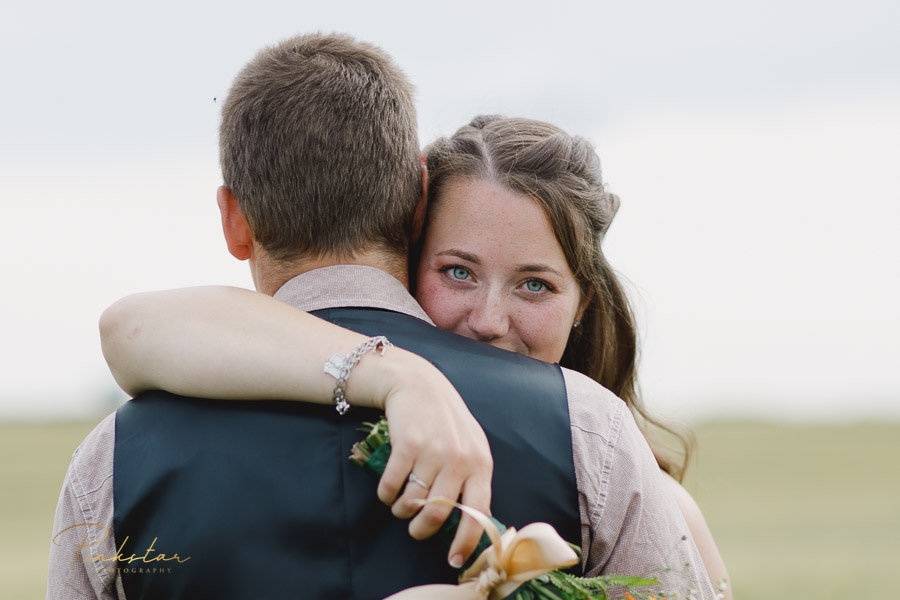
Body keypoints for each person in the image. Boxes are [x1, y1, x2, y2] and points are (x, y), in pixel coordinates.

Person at [49, 33, 719, 599]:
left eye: (535, 286)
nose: (489, 321)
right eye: (461, 272)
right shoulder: (587, 430)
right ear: (419, 199)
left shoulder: (113, 460)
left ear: (233, 220)